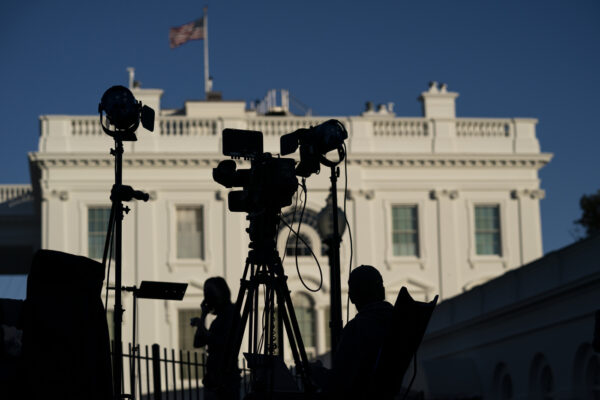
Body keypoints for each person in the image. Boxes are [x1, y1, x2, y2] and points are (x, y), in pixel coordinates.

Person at [319, 265, 394, 399]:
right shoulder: (397, 321)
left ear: (352, 297)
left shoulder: (356, 328)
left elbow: (337, 384)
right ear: (382, 291)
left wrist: (317, 372)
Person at [191, 277, 240, 400]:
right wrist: (203, 316)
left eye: (211, 294)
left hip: (225, 379)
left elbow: (221, 341)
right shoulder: (217, 320)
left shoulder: (231, 312)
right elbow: (197, 343)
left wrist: (200, 325)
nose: (208, 298)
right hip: (213, 379)